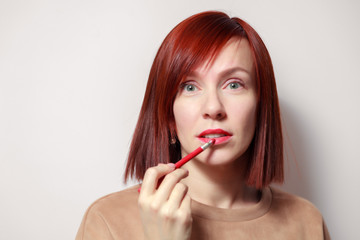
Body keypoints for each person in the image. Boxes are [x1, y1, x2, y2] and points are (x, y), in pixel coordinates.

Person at [75, 11, 330, 240]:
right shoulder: (107, 221)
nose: (213, 108)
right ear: (168, 115)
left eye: (233, 84)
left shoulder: (306, 222)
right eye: (190, 87)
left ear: (261, 107)